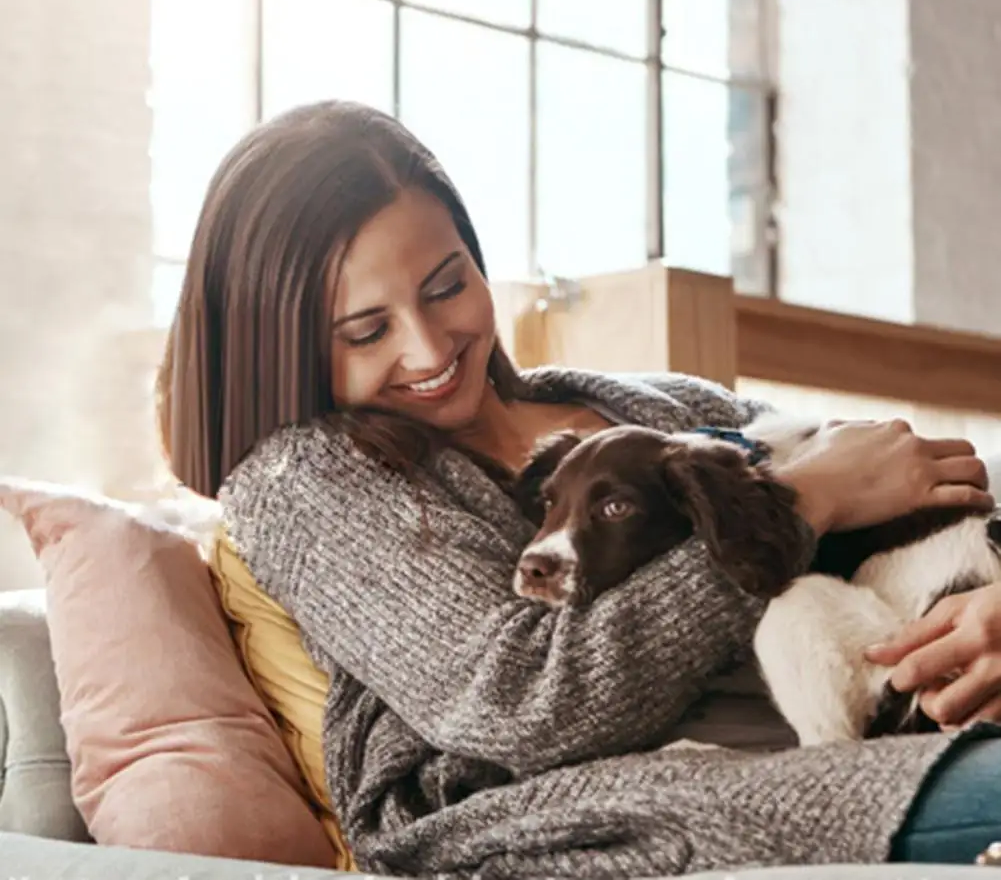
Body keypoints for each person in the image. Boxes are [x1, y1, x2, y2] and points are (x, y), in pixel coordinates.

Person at [157, 99, 1001, 878]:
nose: (428, 348)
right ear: (285, 343)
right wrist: (799, 503)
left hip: (896, 710)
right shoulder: (302, 478)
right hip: (622, 807)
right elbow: (518, 703)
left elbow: (924, 505)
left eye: (448, 284)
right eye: (366, 330)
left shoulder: (661, 405)